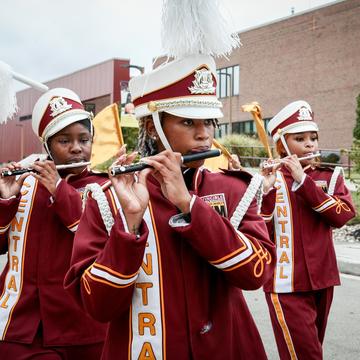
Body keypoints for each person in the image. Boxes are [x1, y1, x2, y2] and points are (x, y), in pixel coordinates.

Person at [64, 53, 276, 359]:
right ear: (153, 128)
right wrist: (130, 227)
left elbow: (256, 274)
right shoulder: (109, 199)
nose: (203, 134)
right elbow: (97, 305)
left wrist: (189, 205)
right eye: (188, 121)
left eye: (209, 122)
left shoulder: (234, 189)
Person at [0, 88, 107, 359]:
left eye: (84, 139)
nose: (76, 148)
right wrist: (6, 201)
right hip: (19, 326)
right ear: (47, 146)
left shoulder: (104, 187)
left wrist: (60, 190)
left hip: (82, 327)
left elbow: (98, 241)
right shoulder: (24, 182)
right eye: (63, 140)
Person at [260, 100, 355, 359]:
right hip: (284, 284)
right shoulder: (270, 179)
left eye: (313, 137)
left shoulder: (330, 176)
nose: (310, 144)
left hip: (323, 280)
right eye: (300, 138)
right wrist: (265, 191)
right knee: (306, 355)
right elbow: (260, 228)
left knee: (313, 349)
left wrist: (304, 182)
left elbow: (342, 216)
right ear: (282, 145)